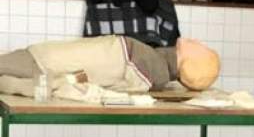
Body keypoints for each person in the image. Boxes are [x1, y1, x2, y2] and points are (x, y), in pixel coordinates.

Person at [0, 35, 219, 97]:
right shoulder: (153, 63)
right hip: (52, 63)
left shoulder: (152, 69)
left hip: (50, 61)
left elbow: (122, 86)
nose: (198, 41)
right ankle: (18, 86)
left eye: (201, 48)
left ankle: (19, 86)